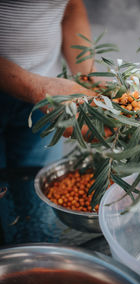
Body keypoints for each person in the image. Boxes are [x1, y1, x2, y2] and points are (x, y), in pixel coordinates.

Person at [0, 0, 96, 169]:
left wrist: (89, 78)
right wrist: (38, 89)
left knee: (37, 181)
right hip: (45, 92)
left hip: (48, 97)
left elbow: (71, 6)